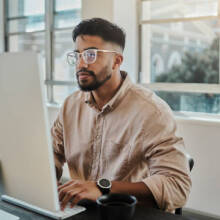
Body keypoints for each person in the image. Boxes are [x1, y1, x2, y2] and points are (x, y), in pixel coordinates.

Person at [51, 17, 191, 212]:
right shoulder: (69, 106)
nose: (81, 64)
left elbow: (177, 186)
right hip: (80, 211)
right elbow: (52, 155)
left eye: (91, 55)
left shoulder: (153, 112)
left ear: (116, 61)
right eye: (77, 55)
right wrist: (44, 181)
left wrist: (102, 188)